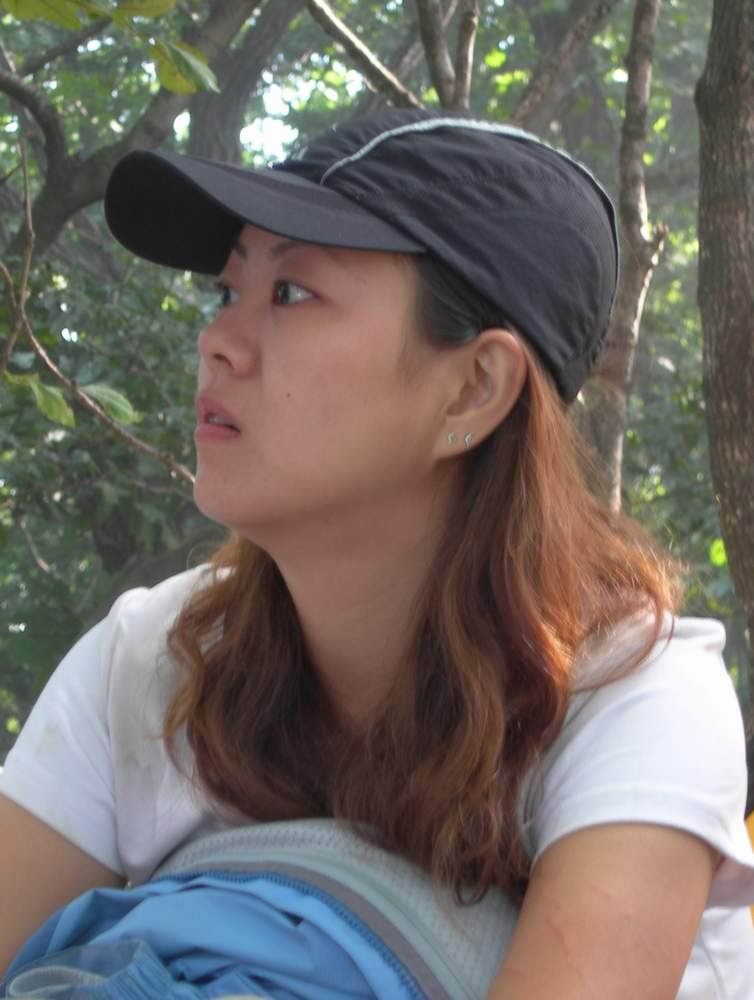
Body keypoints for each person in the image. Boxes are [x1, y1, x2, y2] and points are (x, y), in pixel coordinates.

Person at [1, 108, 753, 999]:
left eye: (291, 294)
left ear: (474, 389)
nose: (217, 342)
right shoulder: (148, 663)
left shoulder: (632, 700)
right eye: (228, 292)